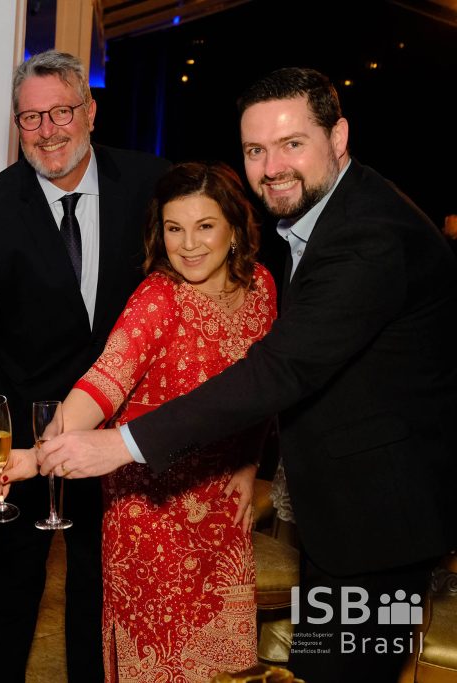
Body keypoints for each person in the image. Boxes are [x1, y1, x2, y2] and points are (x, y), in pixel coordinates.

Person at [38, 67, 457, 682]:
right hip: (345, 518)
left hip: (380, 523)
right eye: (256, 149)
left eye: (292, 143)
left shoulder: (367, 235)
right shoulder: (321, 221)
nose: (272, 166)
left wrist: (123, 444)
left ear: (339, 136)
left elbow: (279, 371)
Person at [0, 50, 169, 683]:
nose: (47, 131)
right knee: (15, 588)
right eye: (30, 117)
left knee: (100, 586)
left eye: (61, 112)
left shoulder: (151, 184)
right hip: (24, 432)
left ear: (90, 111)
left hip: (118, 430)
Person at [0, 161, 274, 681]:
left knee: (225, 663)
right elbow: (102, 383)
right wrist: (38, 456)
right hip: (149, 511)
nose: (188, 245)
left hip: (221, 504)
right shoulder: (158, 298)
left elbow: (266, 389)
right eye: (174, 228)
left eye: (205, 226)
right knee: (161, 663)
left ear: (235, 228)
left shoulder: (261, 288)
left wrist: (249, 463)